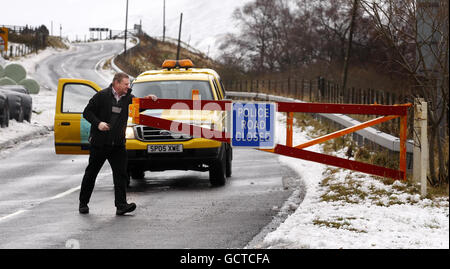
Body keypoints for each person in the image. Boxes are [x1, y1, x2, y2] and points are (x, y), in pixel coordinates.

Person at [79, 72, 157, 215]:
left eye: (128, 84)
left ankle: (121, 206)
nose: (128, 87)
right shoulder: (101, 96)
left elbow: (138, 107)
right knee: (91, 174)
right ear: (116, 83)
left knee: (121, 175)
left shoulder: (128, 98)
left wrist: (148, 100)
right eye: (126, 84)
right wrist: (98, 123)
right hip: (100, 143)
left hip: (118, 145)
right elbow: (87, 112)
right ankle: (83, 203)